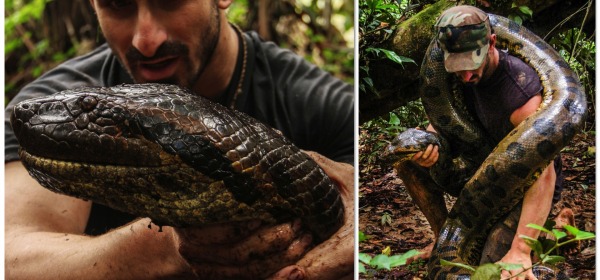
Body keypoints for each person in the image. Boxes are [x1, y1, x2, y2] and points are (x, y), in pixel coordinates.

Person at [5, 1, 354, 279]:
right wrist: (166, 247)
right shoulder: (54, 99)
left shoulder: (326, 105)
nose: (146, 39)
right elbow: (10, 254)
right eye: (118, 3)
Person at [401, 5, 572, 279]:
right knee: (409, 160)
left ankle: (543, 236)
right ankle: (442, 237)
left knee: (492, 270)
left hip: (522, 184)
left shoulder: (520, 91)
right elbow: (443, 124)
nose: (466, 76)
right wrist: (431, 145)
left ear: (492, 42)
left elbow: (544, 175)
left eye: (471, 64)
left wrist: (520, 249)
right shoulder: (455, 79)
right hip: (482, 171)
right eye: (458, 67)